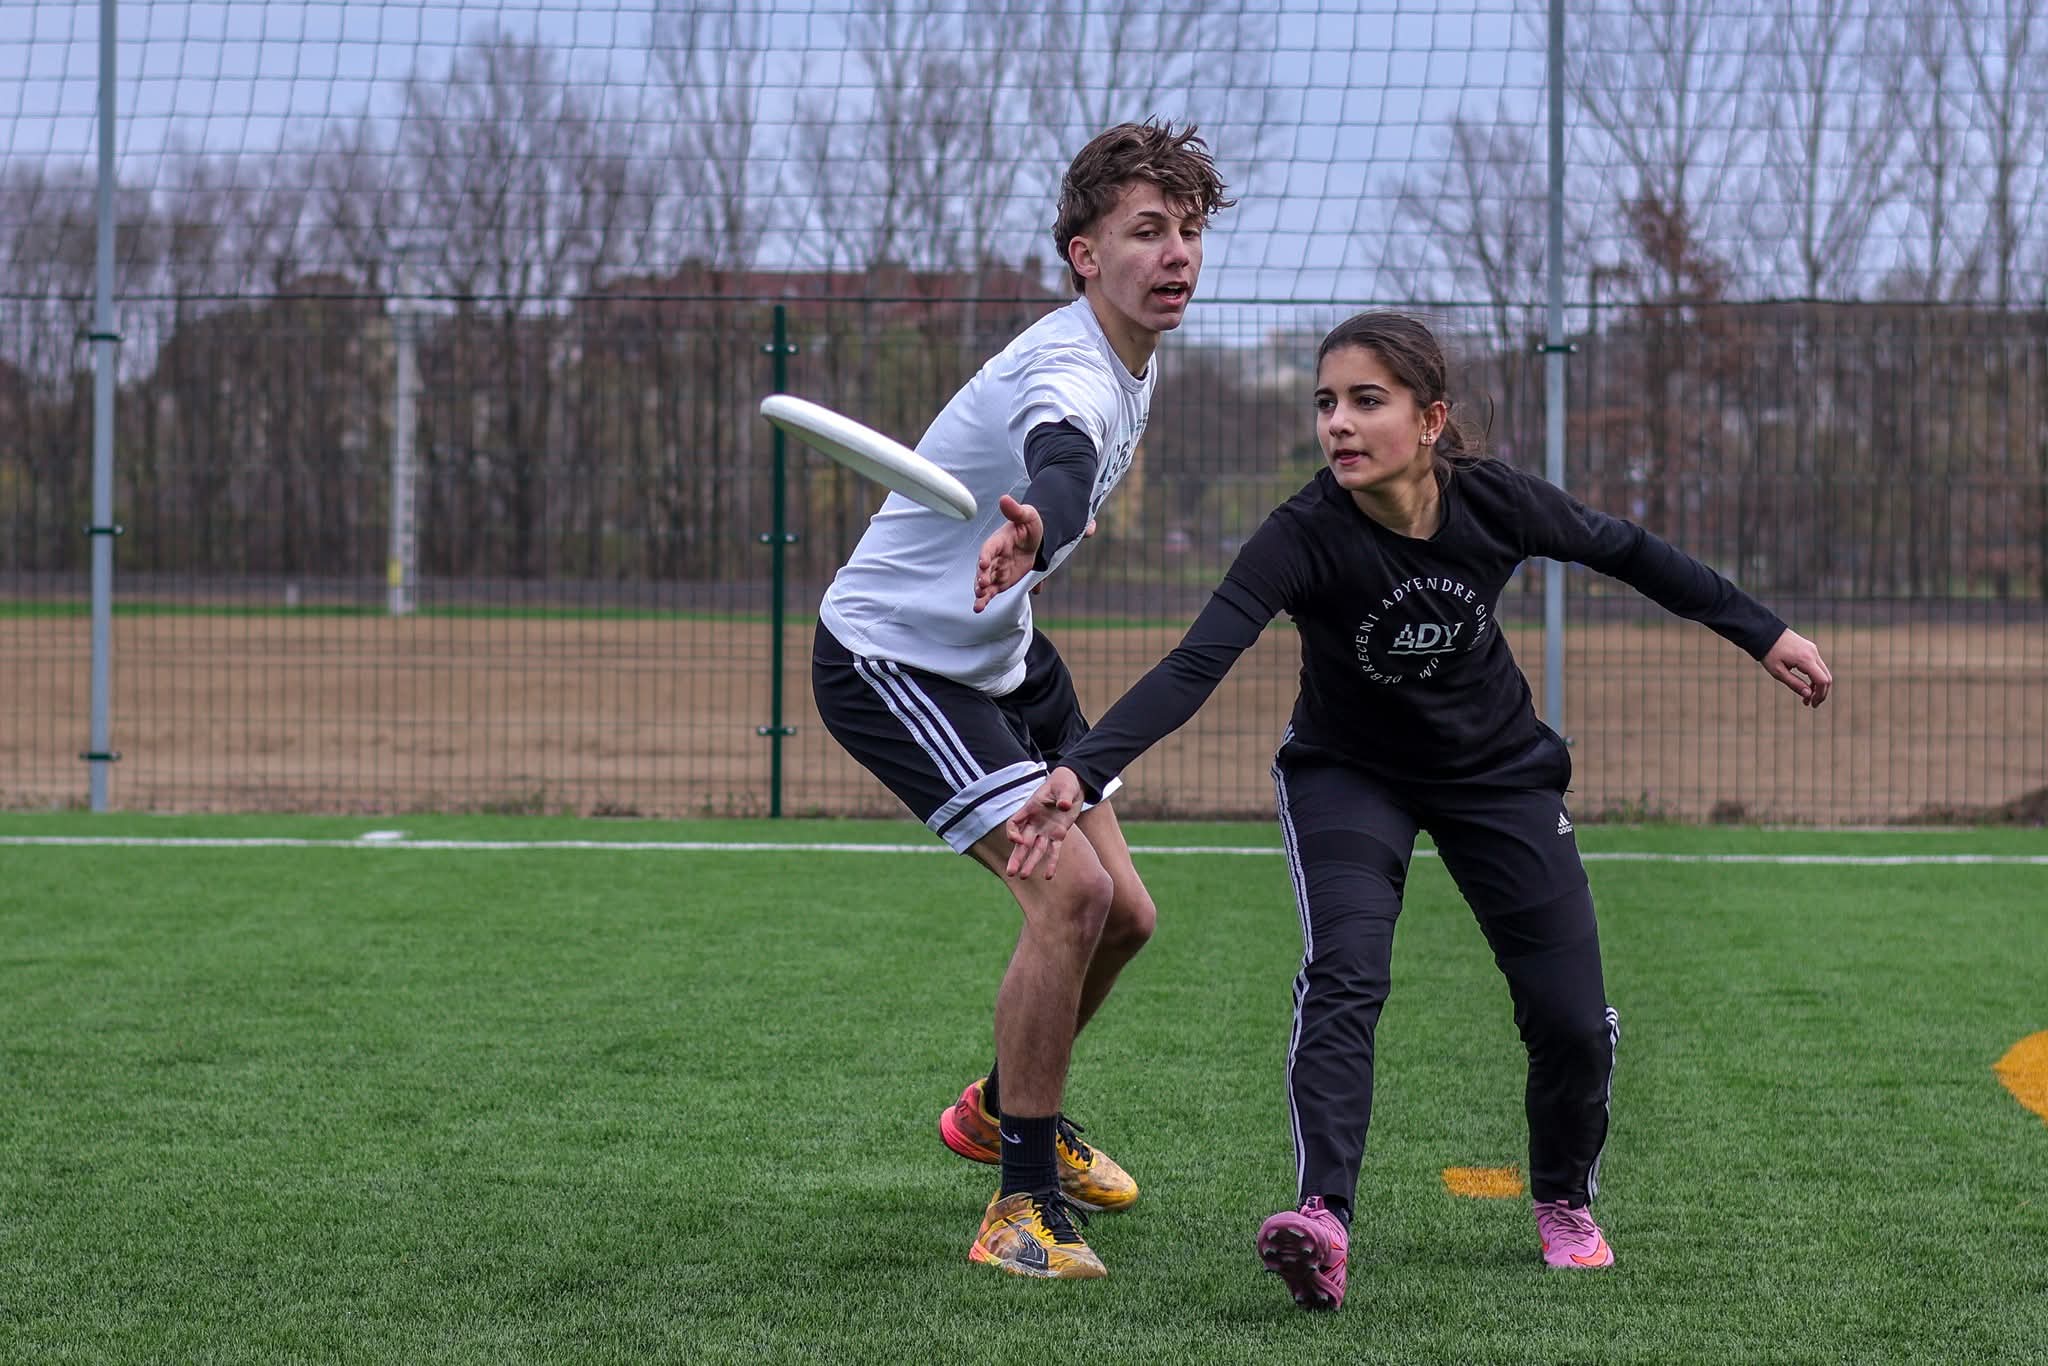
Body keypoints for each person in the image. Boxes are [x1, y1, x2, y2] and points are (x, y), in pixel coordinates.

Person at [999, 311, 1834, 1305]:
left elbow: (1630, 551)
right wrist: (1081, 769)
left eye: (1367, 401)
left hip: (1497, 772)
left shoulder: (1493, 501)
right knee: (1345, 974)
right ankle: (1321, 1218)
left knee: (1571, 1020)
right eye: (1325, 403)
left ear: (1430, 419)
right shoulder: (1302, 532)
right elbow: (1195, 663)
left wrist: (1763, 632)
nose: (1338, 424)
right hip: (1347, 775)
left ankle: (1563, 1197)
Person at [811, 121, 1234, 1279]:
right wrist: (1039, 523)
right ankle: (1018, 1205)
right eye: (1145, 230)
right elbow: (1059, 451)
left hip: (1003, 655)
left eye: (1188, 230)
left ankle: (1001, 1104)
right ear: (1083, 255)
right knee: (1071, 894)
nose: (1176, 253)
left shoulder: (1130, 358)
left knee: (1127, 914)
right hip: (895, 661)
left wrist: (1031, 543)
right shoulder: (1068, 367)